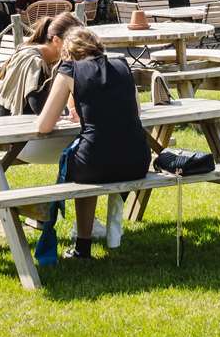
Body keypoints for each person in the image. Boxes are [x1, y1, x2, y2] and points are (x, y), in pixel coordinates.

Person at [37, 28, 150, 260]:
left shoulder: (70, 69)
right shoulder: (122, 65)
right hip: (137, 160)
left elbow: (44, 126)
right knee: (90, 154)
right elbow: (136, 111)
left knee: (83, 160)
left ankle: (83, 246)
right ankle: (90, 242)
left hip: (96, 164)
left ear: (68, 53)